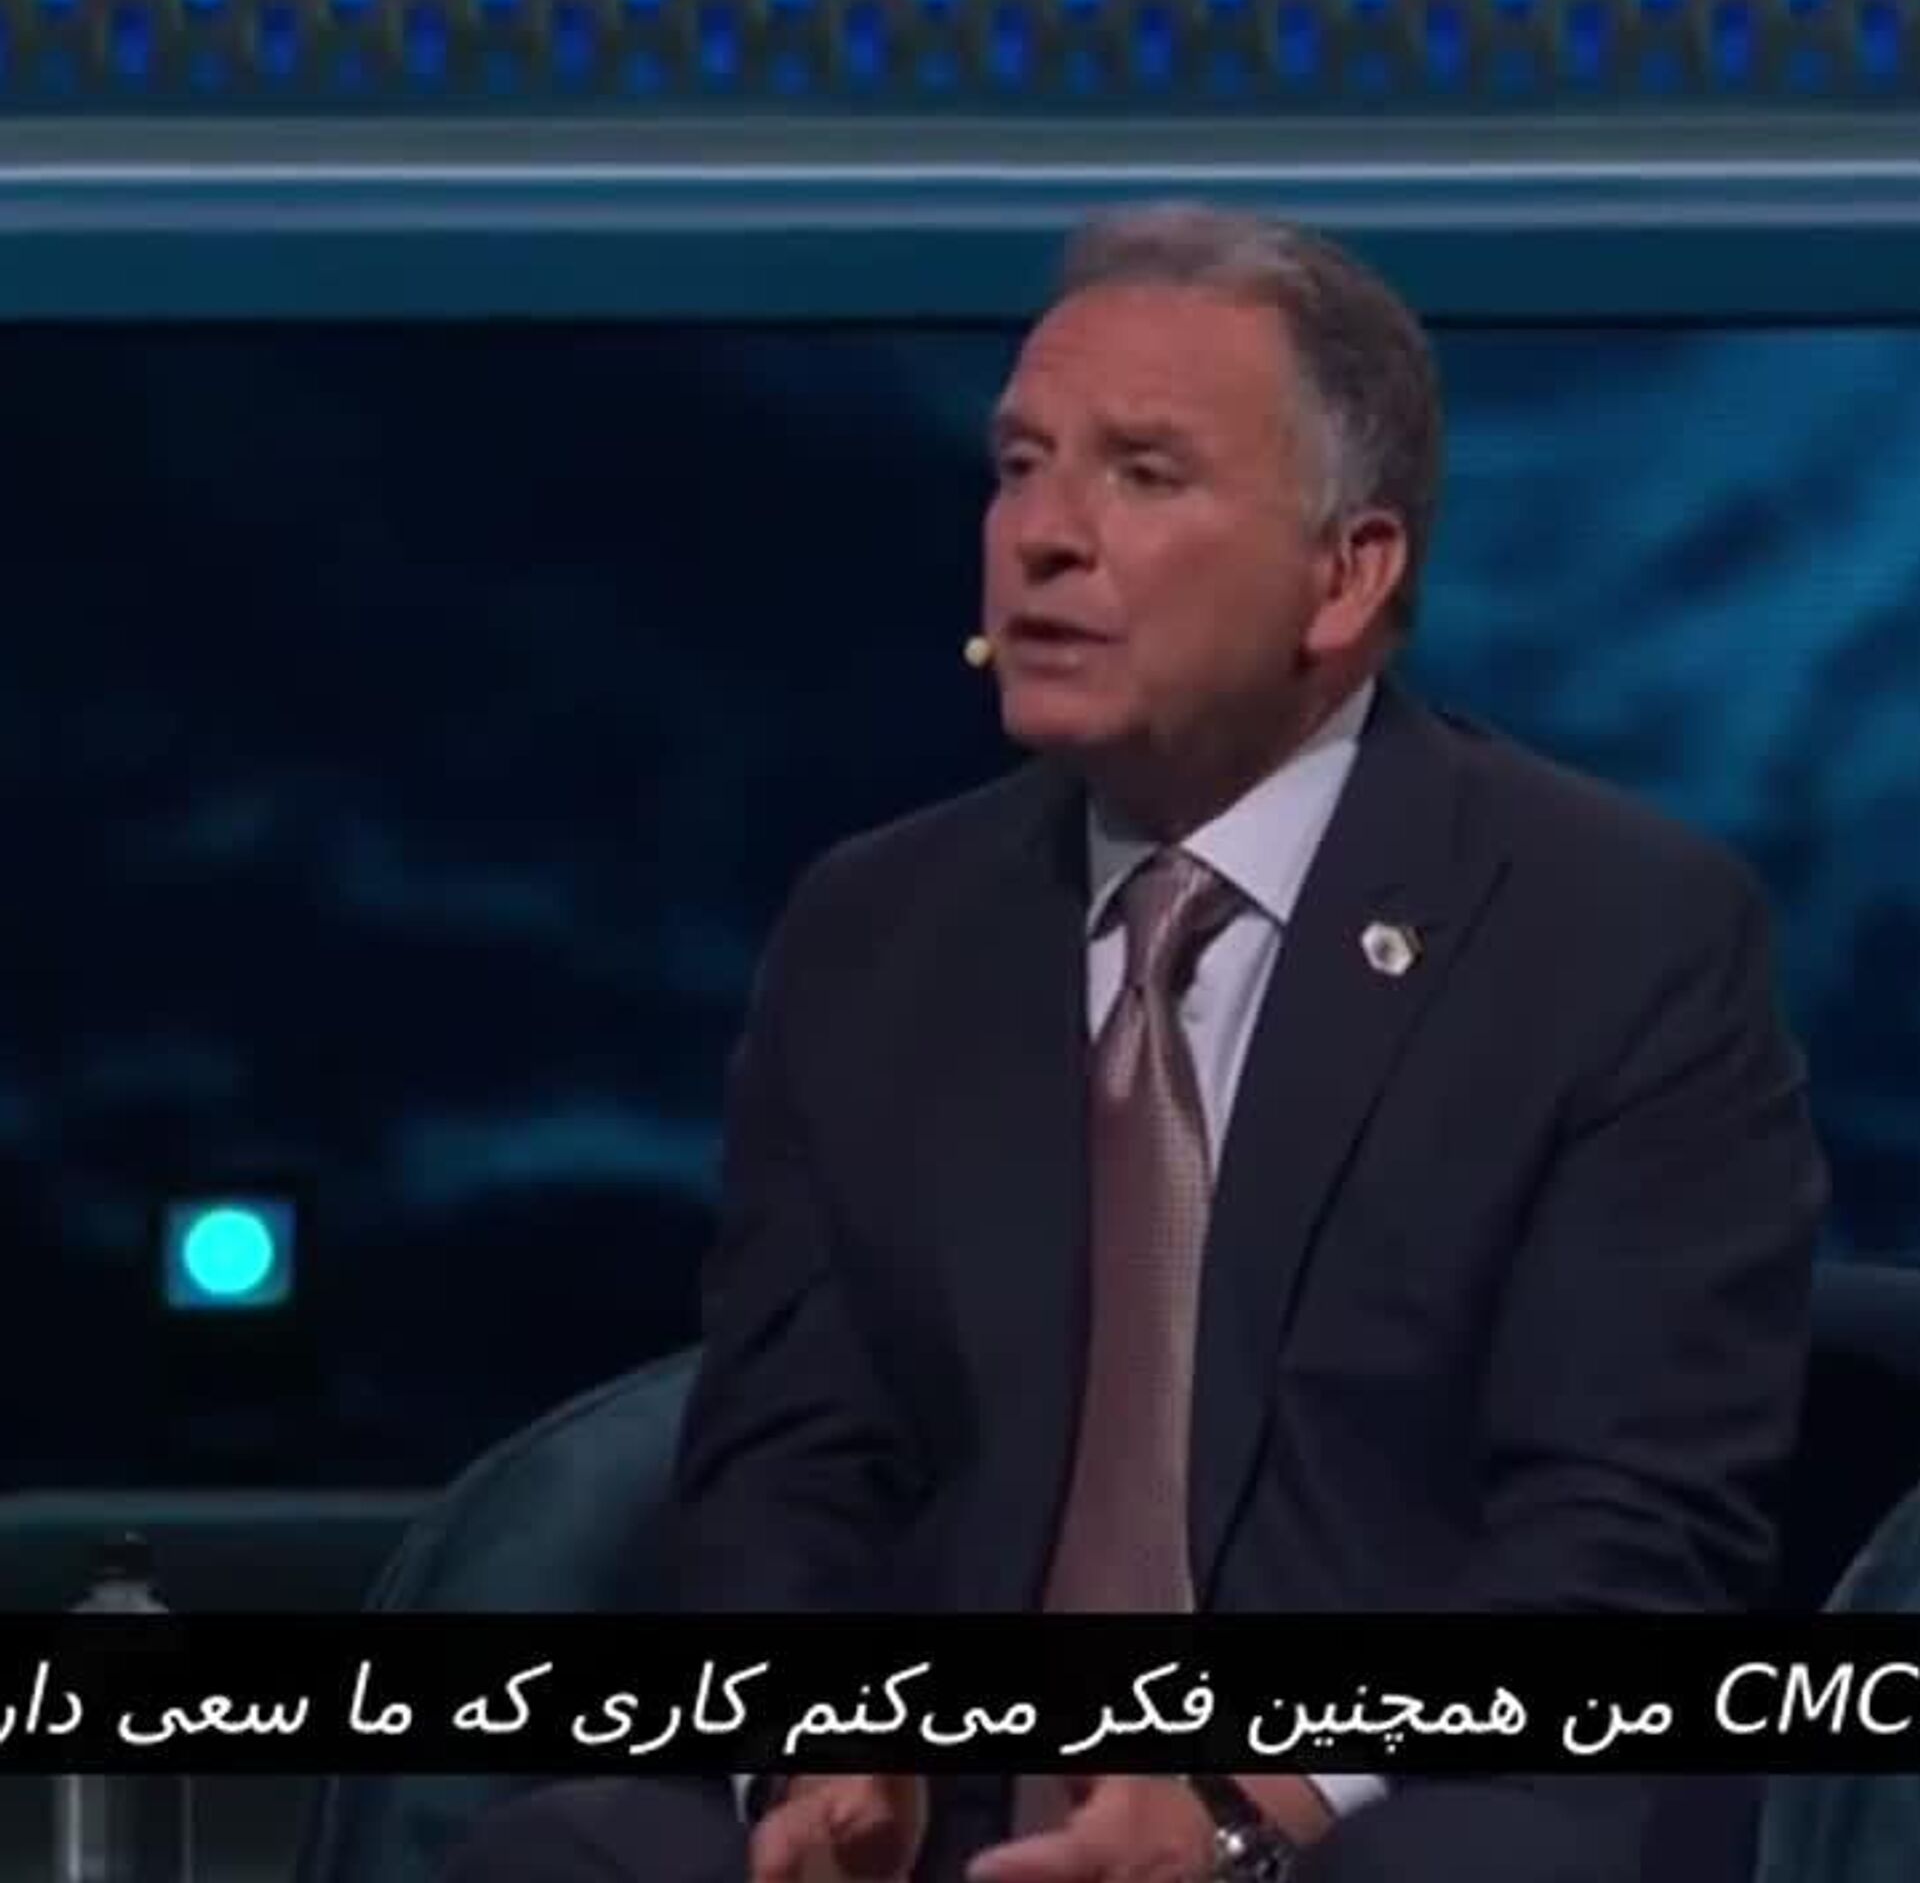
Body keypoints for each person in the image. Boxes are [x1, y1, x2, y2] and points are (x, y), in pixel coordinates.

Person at [443, 202, 1826, 1883]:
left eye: (1143, 474)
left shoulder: (1613, 930)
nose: (1040, 536)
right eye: (1020, 467)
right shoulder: (880, 930)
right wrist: (821, 1744)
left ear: (1348, 573)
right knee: (565, 1852)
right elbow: (791, 1454)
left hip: (1383, 1807)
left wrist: (1248, 1801)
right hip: (955, 1817)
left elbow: (1623, 1530)